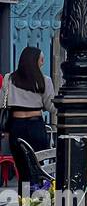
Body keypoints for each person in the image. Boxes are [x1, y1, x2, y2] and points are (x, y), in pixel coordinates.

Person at [3, 45, 54, 186]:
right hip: (35, 125)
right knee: (38, 167)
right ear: (36, 61)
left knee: (22, 168)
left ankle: (23, 200)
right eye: (41, 59)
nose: (43, 62)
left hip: (16, 126)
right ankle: (38, 199)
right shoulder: (44, 80)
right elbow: (51, 107)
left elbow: (3, 103)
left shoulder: (9, 79)